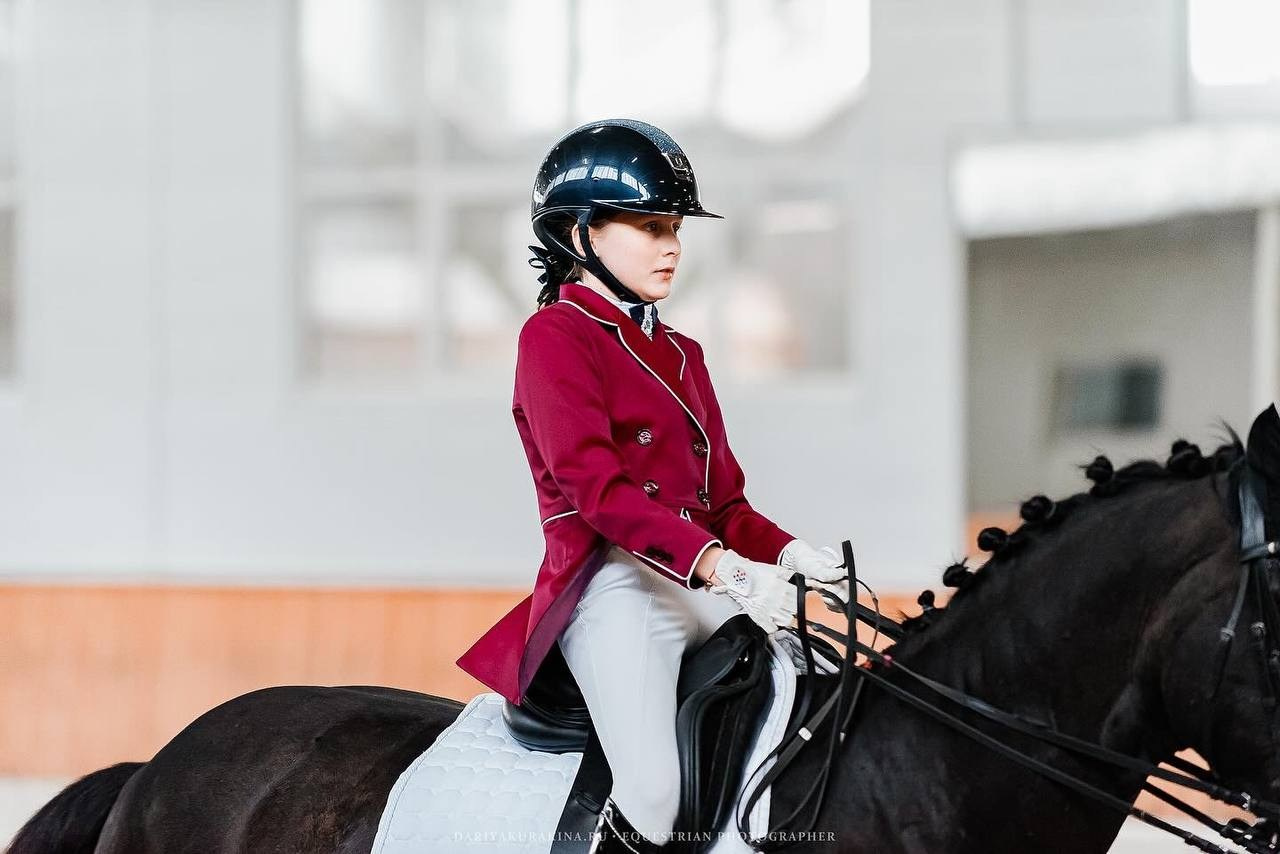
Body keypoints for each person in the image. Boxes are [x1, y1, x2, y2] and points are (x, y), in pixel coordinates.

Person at [455, 119, 848, 851]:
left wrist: (791, 555)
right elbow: (598, 493)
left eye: (674, 228)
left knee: (817, 699)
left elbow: (725, 504)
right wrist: (727, 571)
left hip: (697, 585)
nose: (672, 246)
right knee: (655, 792)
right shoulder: (554, 337)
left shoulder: (683, 353)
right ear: (579, 235)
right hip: (613, 588)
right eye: (649, 227)